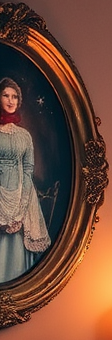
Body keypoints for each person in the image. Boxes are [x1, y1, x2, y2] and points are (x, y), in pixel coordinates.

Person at [0, 78, 51, 284]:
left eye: (14, 96)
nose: (10, 100)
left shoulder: (25, 136)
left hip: (23, 196)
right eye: (5, 95)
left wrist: (20, 208)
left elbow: (28, 169)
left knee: (16, 255)